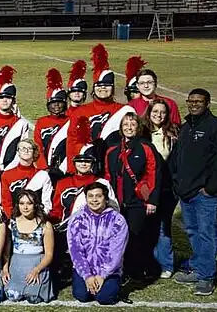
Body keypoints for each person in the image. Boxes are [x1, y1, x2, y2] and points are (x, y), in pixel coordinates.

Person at [170, 88, 217, 296]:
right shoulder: (186, 126)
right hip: (186, 191)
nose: (194, 104)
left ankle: (206, 276)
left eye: (199, 101)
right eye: (191, 101)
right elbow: (178, 157)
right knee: (192, 231)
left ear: (208, 103)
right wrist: (177, 182)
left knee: (207, 233)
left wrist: (211, 189)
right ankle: (198, 267)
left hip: (205, 194)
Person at [104, 113, 162, 282]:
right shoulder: (112, 150)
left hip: (137, 201)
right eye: (126, 124)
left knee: (135, 236)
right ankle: (118, 268)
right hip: (117, 202)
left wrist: (152, 199)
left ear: (138, 127)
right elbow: (108, 176)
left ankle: (135, 269)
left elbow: (154, 174)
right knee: (116, 237)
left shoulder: (146, 147)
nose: (129, 127)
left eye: (133, 124)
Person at [68, 182, 128, 305]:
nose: (94, 200)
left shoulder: (118, 220)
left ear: (105, 199)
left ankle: (113, 285)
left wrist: (102, 275)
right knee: (82, 296)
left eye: (98, 196)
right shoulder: (76, 218)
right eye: (90, 196)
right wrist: (87, 275)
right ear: (86, 199)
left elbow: (116, 252)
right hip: (84, 269)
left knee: (104, 298)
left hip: (109, 271)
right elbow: (75, 250)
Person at [143, 100, 179, 279]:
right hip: (145, 188)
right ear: (149, 112)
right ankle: (148, 262)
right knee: (147, 225)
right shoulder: (142, 133)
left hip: (166, 188)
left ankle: (166, 263)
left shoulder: (173, 133)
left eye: (163, 112)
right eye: (155, 111)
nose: (159, 115)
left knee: (164, 226)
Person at [2, 191, 55, 303]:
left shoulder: (45, 225)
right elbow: (6, 251)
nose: (25, 207)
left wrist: (37, 270)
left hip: (37, 265)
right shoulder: (11, 223)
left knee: (33, 298)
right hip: (17, 265)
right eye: (22, 203)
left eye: (29, 203)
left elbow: (49, 254)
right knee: (13, 296)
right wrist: (5, 268)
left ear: (35, 205)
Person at [0, 66, 30, 172]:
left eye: (8, 97)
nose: (4, 100)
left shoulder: (21, 123)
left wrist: (10, 170)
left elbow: (23, 148)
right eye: (1, 97)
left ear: (13, 101)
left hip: (14, 170)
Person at [0, 139, 53, 219]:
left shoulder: (43, 175)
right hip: (14, 221)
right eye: (23, 148)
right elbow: (6, 202)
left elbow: (46, 203)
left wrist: (38, 219)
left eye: (29, 149)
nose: (26, 151)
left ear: (34, 153)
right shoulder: (6, 175)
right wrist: (14, 219)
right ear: (18, 152)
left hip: (37, 220)